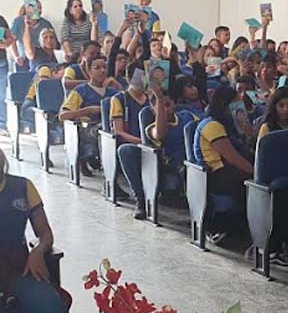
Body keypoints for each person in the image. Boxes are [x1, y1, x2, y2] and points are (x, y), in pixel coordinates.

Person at [0, 149, 94, 313]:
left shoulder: (22, 187)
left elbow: (45, 233)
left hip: (19, 268)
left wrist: (38, 252)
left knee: (51, 303)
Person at [118, 86, 197, 219]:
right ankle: (141, 200)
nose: (166, 109)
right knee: (125, 150)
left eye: (168, 104)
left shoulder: (186, 116)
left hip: (192, 157)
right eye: (161, 106)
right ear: (153, 110)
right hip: (171, 164)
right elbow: (159, 134)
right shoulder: (152, 127)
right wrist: (159, 99)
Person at [194, 87, 254, 243]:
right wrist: (256, 172)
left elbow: (243, 150)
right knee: (257, 184)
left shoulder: (230, 125)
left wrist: (249, 135)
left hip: (231, 171)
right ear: (223, 104)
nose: (238, 107)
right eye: (234, 103)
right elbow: (232, 158)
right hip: (217, 174)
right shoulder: (212, 125)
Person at [59, 55, 119, 176]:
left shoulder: (113, 92)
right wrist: (87, 111)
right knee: (105, 131)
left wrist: (117, 86)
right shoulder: (80, 91)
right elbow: (62, 115)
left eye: (104, 67)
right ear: (89, 71)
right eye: (97, 68)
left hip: (110, 126)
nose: (102, 71)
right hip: (88, 128)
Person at [11, 0, 57, 70]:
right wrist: (16, 56)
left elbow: (54, 42)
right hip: (24, 58)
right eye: (36, 8)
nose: (39, 10)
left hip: (42, 58)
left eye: (40, 8)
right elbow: (12, 41)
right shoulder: (18, 22)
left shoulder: (45, 23)